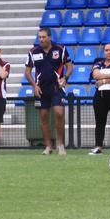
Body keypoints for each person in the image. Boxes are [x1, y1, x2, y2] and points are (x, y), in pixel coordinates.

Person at [25, 27, 73, 155]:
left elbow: (69, 66)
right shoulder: (33, 52)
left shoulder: (61, 49)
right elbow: (27, 72)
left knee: (59, 113)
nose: (41, 39)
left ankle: (61, 145)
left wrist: (65, 78)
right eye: (39, 37)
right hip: (41, 89)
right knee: (44, 117)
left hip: (57, 88)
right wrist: (34, 85)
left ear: (50, 37)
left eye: (43, 37)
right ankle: (48, 147)